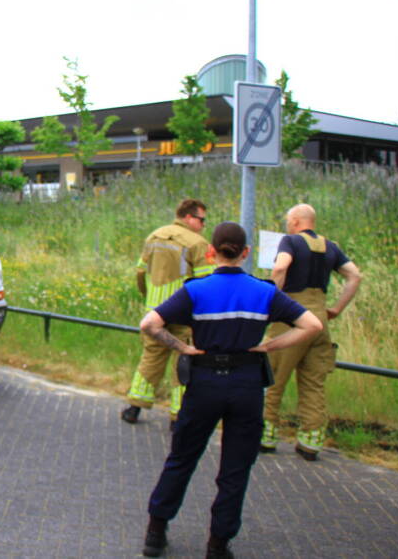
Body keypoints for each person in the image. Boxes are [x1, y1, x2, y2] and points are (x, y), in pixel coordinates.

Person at [139, 222, 322, 558]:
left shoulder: (196, 290)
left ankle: (155, 533)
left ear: (212, 251)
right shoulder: (264, 292)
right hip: (246, 385)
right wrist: (270, 346)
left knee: (181, 459)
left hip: (204, 384)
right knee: (235, 469)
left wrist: (183, 348)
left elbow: (149, 324)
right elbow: (313, 325)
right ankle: (218, 544)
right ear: (245, 253)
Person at [260, 203, 362, 461]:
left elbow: (281, 268)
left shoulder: (290, 242)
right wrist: (337, 308)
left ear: (295, 220)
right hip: (320, 322)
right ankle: (311, 442)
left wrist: (273, 300)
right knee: (313, 384)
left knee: (272, 379)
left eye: (287, 219)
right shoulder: (331, 247)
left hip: (292, 319)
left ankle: (266, 436)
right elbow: (355, 276)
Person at [123, 199, 213, 426]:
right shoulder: (199, 244)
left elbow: (140, 273)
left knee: (151, 358)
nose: (203, 225)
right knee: (183, 362)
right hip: (184, 314)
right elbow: (207, 282)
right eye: (201, 219)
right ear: (189, 217)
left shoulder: (154, 237)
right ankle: (177, 416)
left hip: (155, 312)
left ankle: (135, 407)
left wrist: (149, 299)